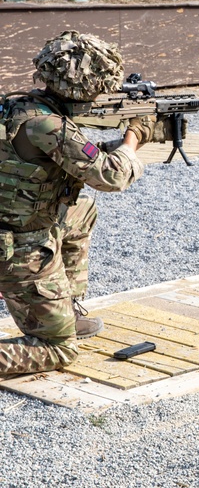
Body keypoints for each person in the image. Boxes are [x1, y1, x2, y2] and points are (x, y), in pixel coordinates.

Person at [0, 30, 161, 375]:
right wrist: (135, 136)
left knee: (81, 211)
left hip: (15, 228)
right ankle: (55, 327)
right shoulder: (49, 124)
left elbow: (64, 161)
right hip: (19, 249)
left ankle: (64, 310)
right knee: (59, 350)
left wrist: (118, 144)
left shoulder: (19, 107)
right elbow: (112, 177)